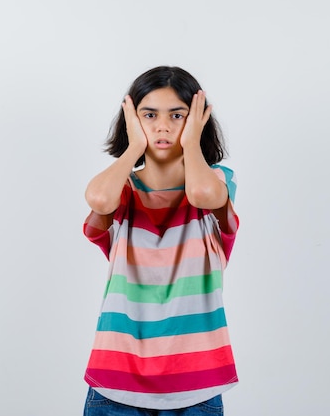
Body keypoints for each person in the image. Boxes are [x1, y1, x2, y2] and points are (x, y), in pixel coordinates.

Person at [82, 66, 239, 416]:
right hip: (116, 381)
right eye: (149, 115)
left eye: (178, 115)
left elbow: (201, 193)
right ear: (132, 119)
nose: (163, 126)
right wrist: (133, 146)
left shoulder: (217, 183)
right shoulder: (122, 190)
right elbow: (98, 200)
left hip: (196, 385)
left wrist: (192, 143)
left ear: (197, 120)